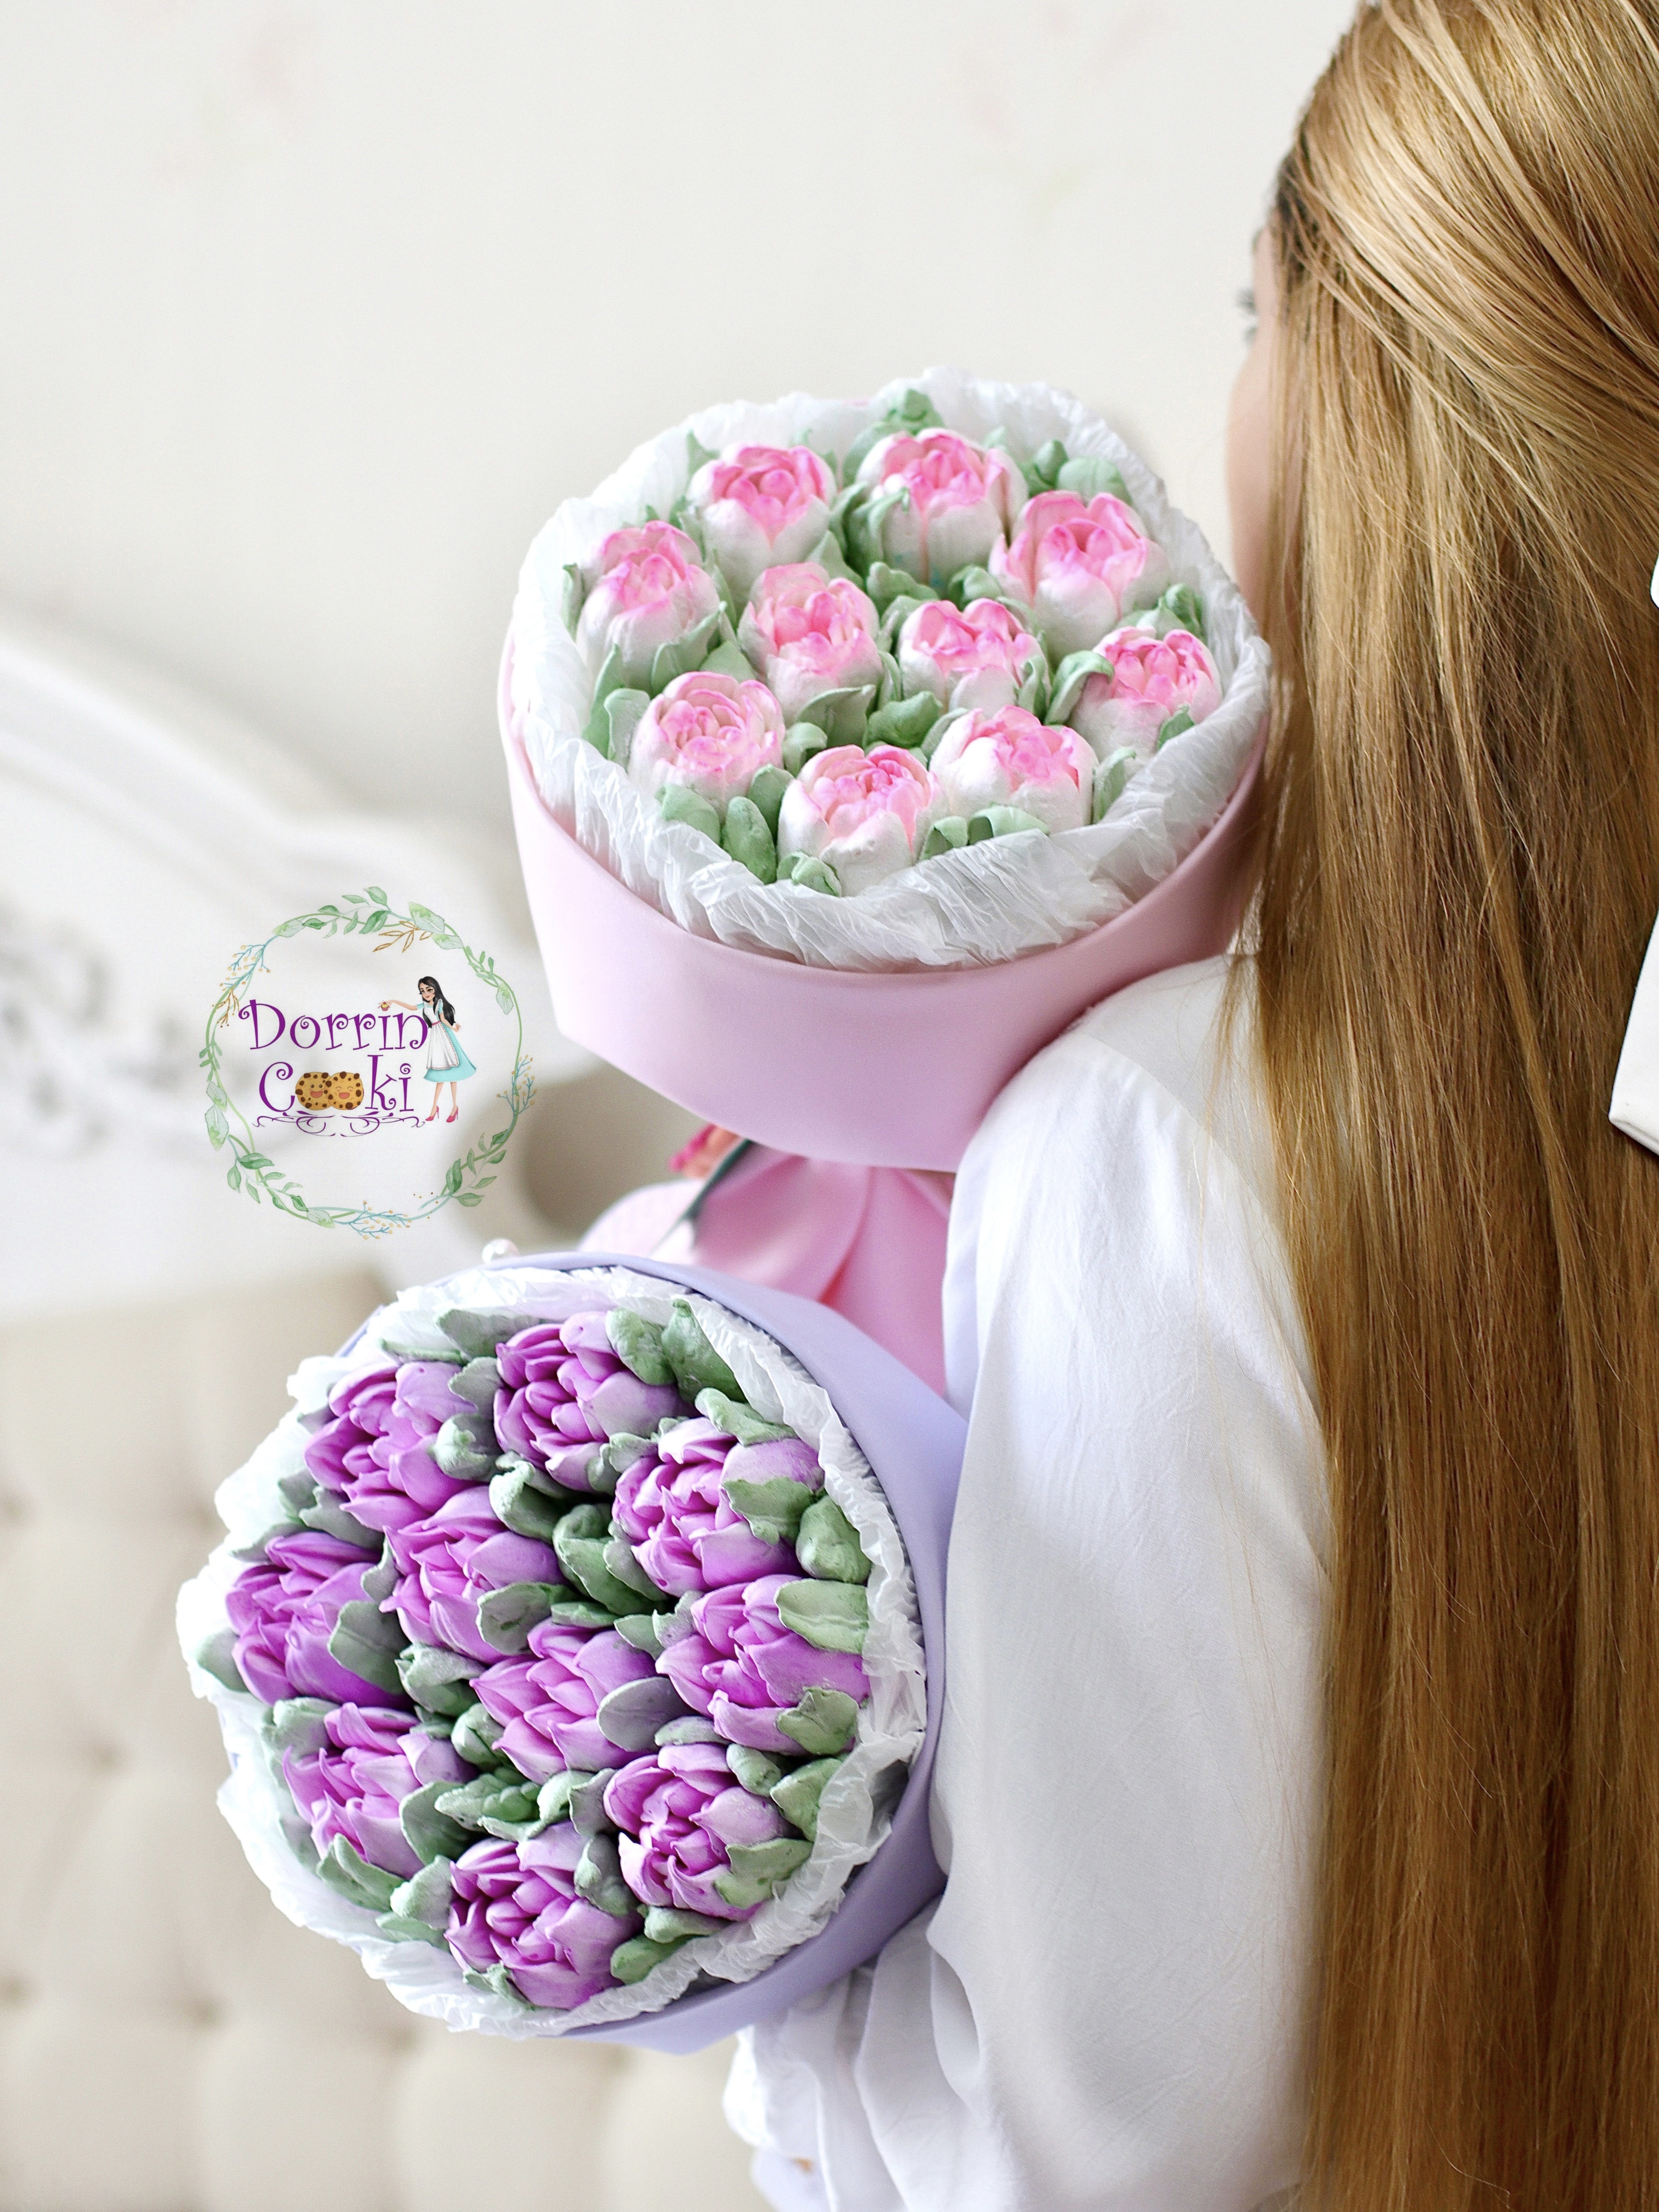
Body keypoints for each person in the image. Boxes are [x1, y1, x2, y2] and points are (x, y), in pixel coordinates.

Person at [727, 2, 1659, 2206]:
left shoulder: (1172, 1152)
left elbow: (1089, 2164)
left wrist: (765, 1961)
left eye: (1260, 316)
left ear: (1375, 417)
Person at [379, 975, 475, 1123]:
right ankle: (435, 1107)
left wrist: (453, 1028)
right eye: (423, 991)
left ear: (435, 989)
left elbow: (443, 1019)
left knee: (452, 1071)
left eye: (429, 990)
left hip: (445, 1035)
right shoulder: (425, 1005)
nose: (426, 993)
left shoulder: (439, 1003)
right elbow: (411, 1008)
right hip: (437, 1036)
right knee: (442, 1070)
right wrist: (392, 1001)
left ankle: (454, 1107)